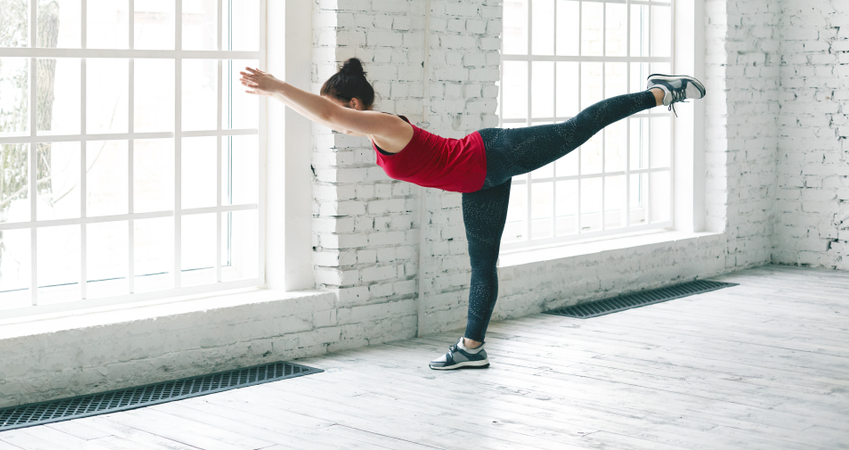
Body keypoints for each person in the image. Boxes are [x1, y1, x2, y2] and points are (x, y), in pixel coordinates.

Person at [239, 59, 706, 370]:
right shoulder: (373, 132)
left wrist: (278, 87)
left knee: (575, 129)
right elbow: (328, 115)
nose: (336, 118)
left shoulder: (380, 123)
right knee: (482, 264)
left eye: (339, 109)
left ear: (355, 105)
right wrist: (278, 95)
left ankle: (662, 94)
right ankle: (472, 349)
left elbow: (328, 116)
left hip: (493, 153)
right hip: (479, 179)